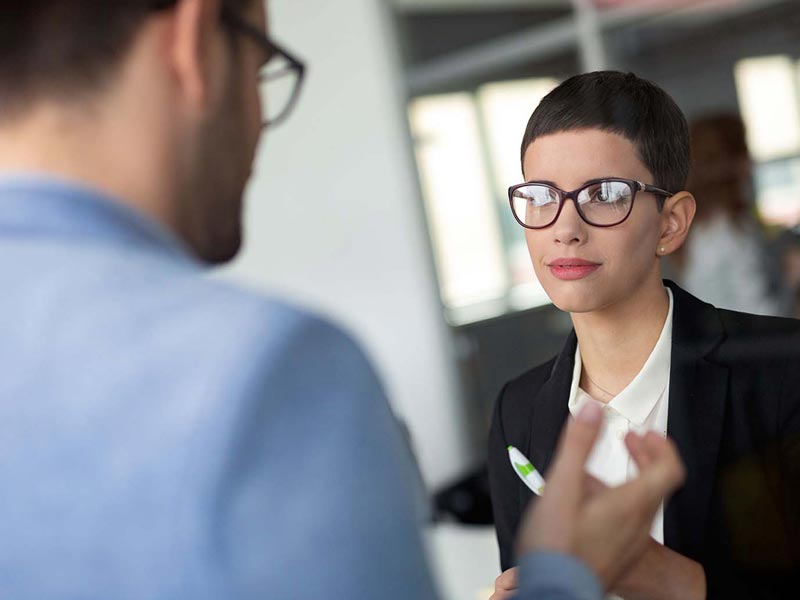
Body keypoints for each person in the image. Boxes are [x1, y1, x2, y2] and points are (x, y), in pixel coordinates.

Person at [0, 2, 689, 598]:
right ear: (194, 40)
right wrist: (563, 578)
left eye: (603, 195)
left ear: (669, 220)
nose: (260, 126)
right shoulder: (265, 370)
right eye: (263, 63)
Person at [488, 71, 800, 600]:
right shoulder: (517, 412)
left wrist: (684, 584)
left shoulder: (783, 371)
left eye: (604, 194)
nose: (565, 227)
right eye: (541, 196)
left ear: (671, 223)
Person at [676, 113, 784, 316]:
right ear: (729, 162)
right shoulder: (723, 232)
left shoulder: (708, 227)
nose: (750, 161)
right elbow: (758, 316)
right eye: (743, 150)